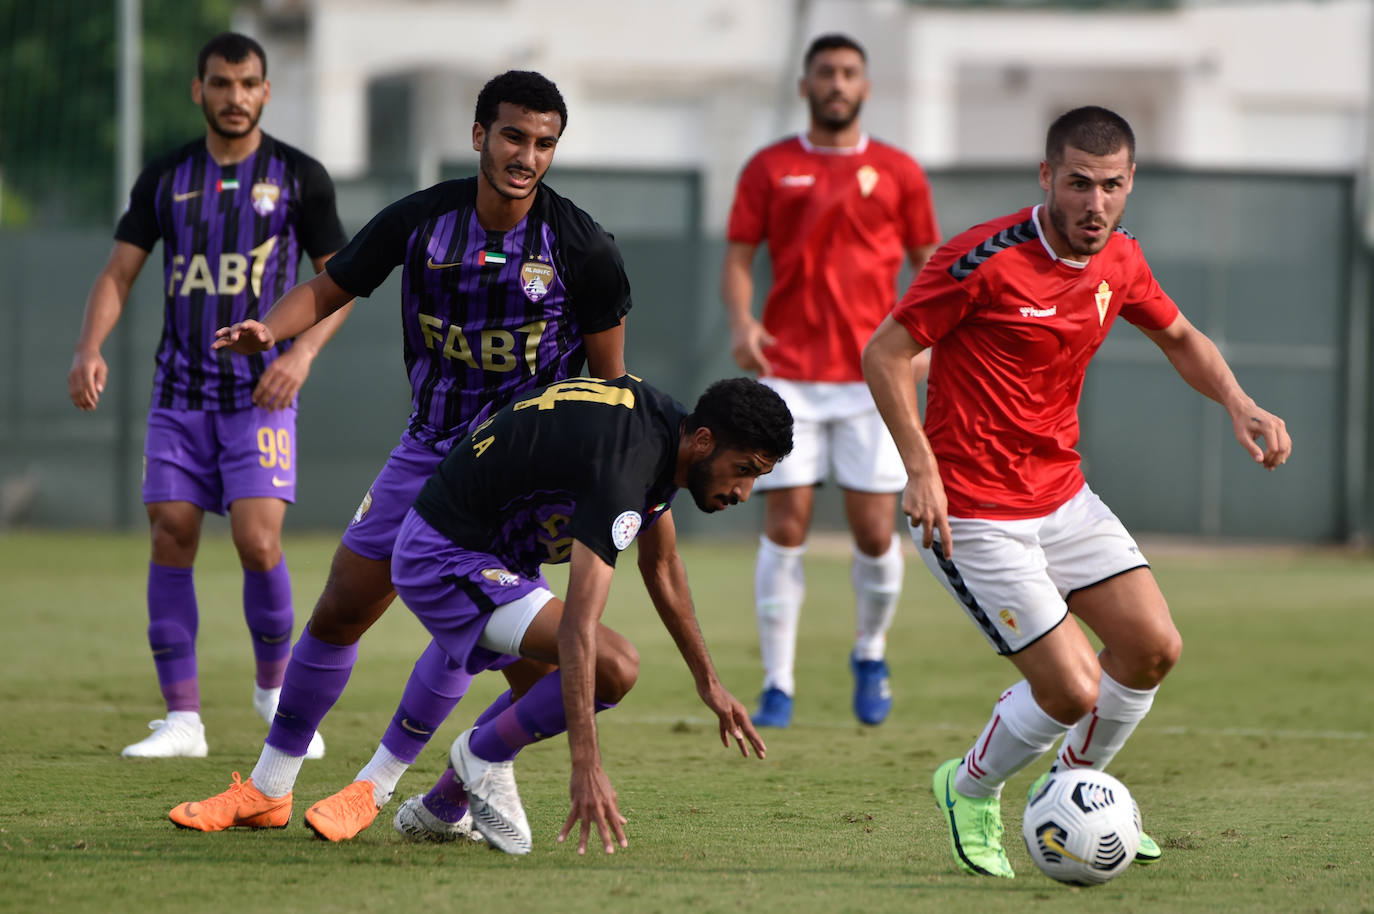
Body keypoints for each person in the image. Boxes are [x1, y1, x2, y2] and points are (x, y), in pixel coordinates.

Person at [168, 70, 633, 843]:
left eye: (544, 143)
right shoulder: (423, 221)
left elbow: (611, 388)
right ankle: (271, 788)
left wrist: (579, 481)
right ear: (479, 134)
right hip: (427, 449)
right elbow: (331, 286)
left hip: (513, 482)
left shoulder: (582, 248)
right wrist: (269, 329)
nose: (527, 155)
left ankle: (418, 787)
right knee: (345, 604)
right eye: (513, 135)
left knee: (488, 638)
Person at [861, 105, 1291, 878]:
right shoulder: (980, 259)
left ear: (1130, 185)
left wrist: (1239, 401)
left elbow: (1181, 337)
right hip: (973, 512)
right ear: (1047, 178)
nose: (1095, 203)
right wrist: (919, 465)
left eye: (1112, 186)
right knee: (1069, 686)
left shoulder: (1120, 260)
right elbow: (885, 354)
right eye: (1079, 184)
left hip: (1063, 497)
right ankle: (967, 789)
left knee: (1152, 649)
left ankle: (1073, 791)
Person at [68, 32, 350, 759]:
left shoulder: (298, 177)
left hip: (260, 396)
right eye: (220, 84)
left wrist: (304, 356)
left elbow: (341, 283)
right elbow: (118, 274)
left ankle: (277, 693)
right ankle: (183, 720)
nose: (234, 97)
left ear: (265, 91)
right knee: (171, 531)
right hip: (179, 394)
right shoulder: (165, 178)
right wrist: (88, 347)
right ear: (199, 90)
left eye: (248, 84)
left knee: (259, 542)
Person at [401, 374, 790, 855]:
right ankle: (481, 755)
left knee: (552, 688)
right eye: (744, 469)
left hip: (498, 558)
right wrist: (586, 766)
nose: (744, 491)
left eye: (757, 476)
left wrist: (707, 681)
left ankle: (441, 808)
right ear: (706, 441)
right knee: (611, 666)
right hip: (442, 557)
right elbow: (577, 628)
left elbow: (663, 566)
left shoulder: (666, 432)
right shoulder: (628, 468)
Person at [721, 33, 942, 728]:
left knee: (877, 531)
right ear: (806, 85)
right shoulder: (770, 166)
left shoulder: (900, 171)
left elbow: (930, 261)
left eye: (849, 73)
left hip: (874, 379)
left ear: (866, 87)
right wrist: (742, 321)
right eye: (825, 73)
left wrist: (926, 340)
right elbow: (738, 256)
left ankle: (870, 654)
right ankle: (778, 684)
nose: (837, 84)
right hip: (787, 375)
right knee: (785, 524)